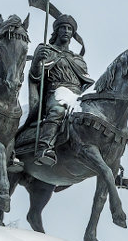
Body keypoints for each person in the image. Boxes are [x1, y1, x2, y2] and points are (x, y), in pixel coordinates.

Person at [27, 13, 93, 164]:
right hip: (56, 91)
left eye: (69, 29)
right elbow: (35, 77)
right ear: (56, 31)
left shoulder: (78, 59)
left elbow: (86, 82)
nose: (66, 31)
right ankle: (44, 147)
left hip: (77, 96)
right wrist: (37, 61)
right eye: (63, 27)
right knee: (58, 110)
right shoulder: (47, 50)